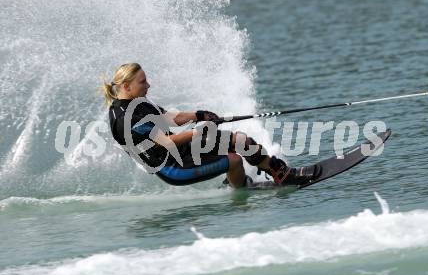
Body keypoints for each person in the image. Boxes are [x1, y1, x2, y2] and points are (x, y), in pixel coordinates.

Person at [102, 63, 320, 188]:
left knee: (240, 140)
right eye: (143, 82)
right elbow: (166, 142)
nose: (148, 85)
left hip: (182, 149)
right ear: (127, 86)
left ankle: (278, 172)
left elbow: (169, 118)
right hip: (171, 167)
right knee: (233, 161)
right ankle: (242, 191)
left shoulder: (139, 102)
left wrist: (199, 114)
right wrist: (197, 132)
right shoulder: (125, 119)